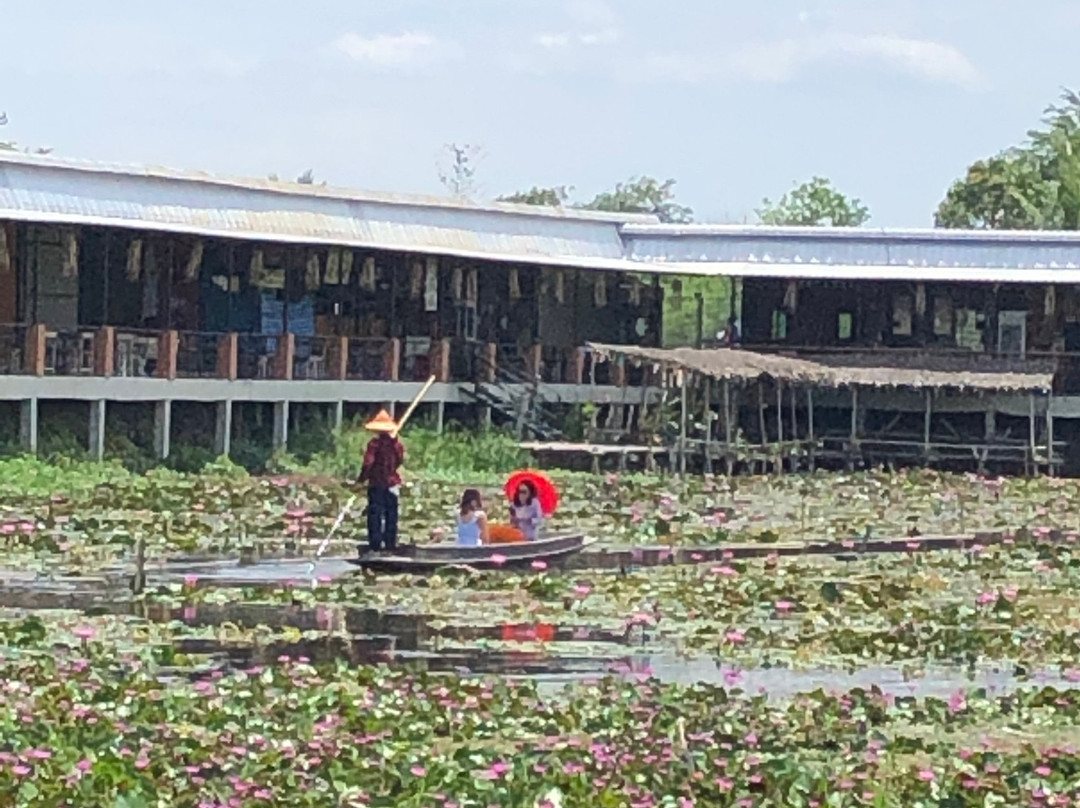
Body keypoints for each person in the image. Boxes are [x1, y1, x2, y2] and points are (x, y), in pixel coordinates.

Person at [358, 409, 404, 554]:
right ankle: (390, 544)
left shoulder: (374, 445)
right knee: (391, 515)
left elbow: (368, 463)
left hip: (377, 483)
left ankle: (375, 545)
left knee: (375, 515)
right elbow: (399, 461)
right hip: (392, 483)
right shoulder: (396, 445)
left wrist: (361, 479)